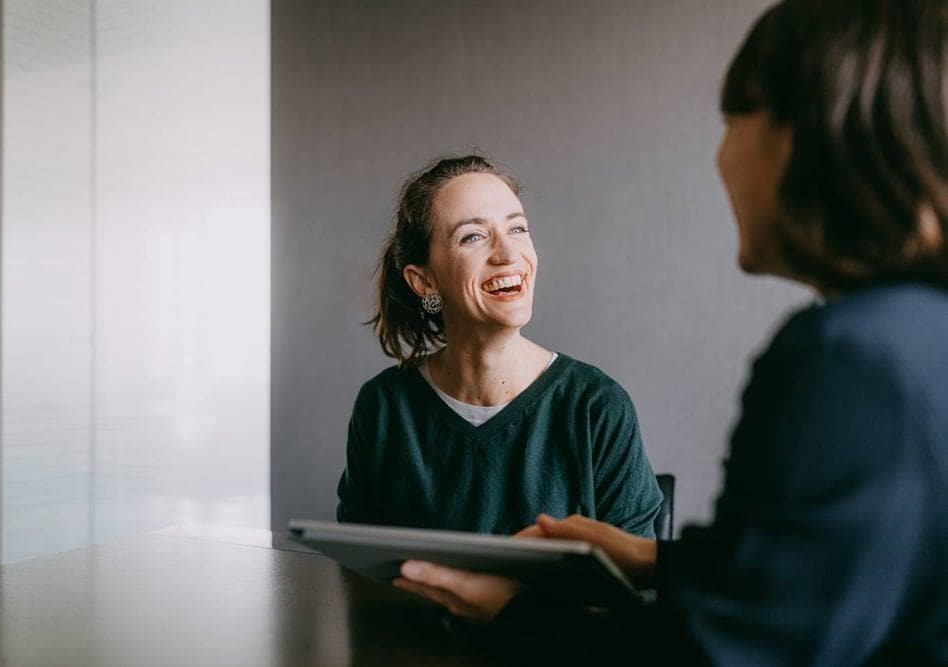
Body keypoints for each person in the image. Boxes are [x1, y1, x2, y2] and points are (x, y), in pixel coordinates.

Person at [394, 1, 948, 663]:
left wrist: (510, 614)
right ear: (419, 278)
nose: (720, 156)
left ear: (800, 134)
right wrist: (653, 558)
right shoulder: (917, 335)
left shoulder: (849, 360)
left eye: (733, 121)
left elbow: (715, 652)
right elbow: (820, 572)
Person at [337, 155, 665, 537]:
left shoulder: (597, 406)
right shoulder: (383, 407)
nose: (509, 255)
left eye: (518, 229)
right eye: (473, 236)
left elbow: (635, 585)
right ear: (424, 281)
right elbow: (358, 571)